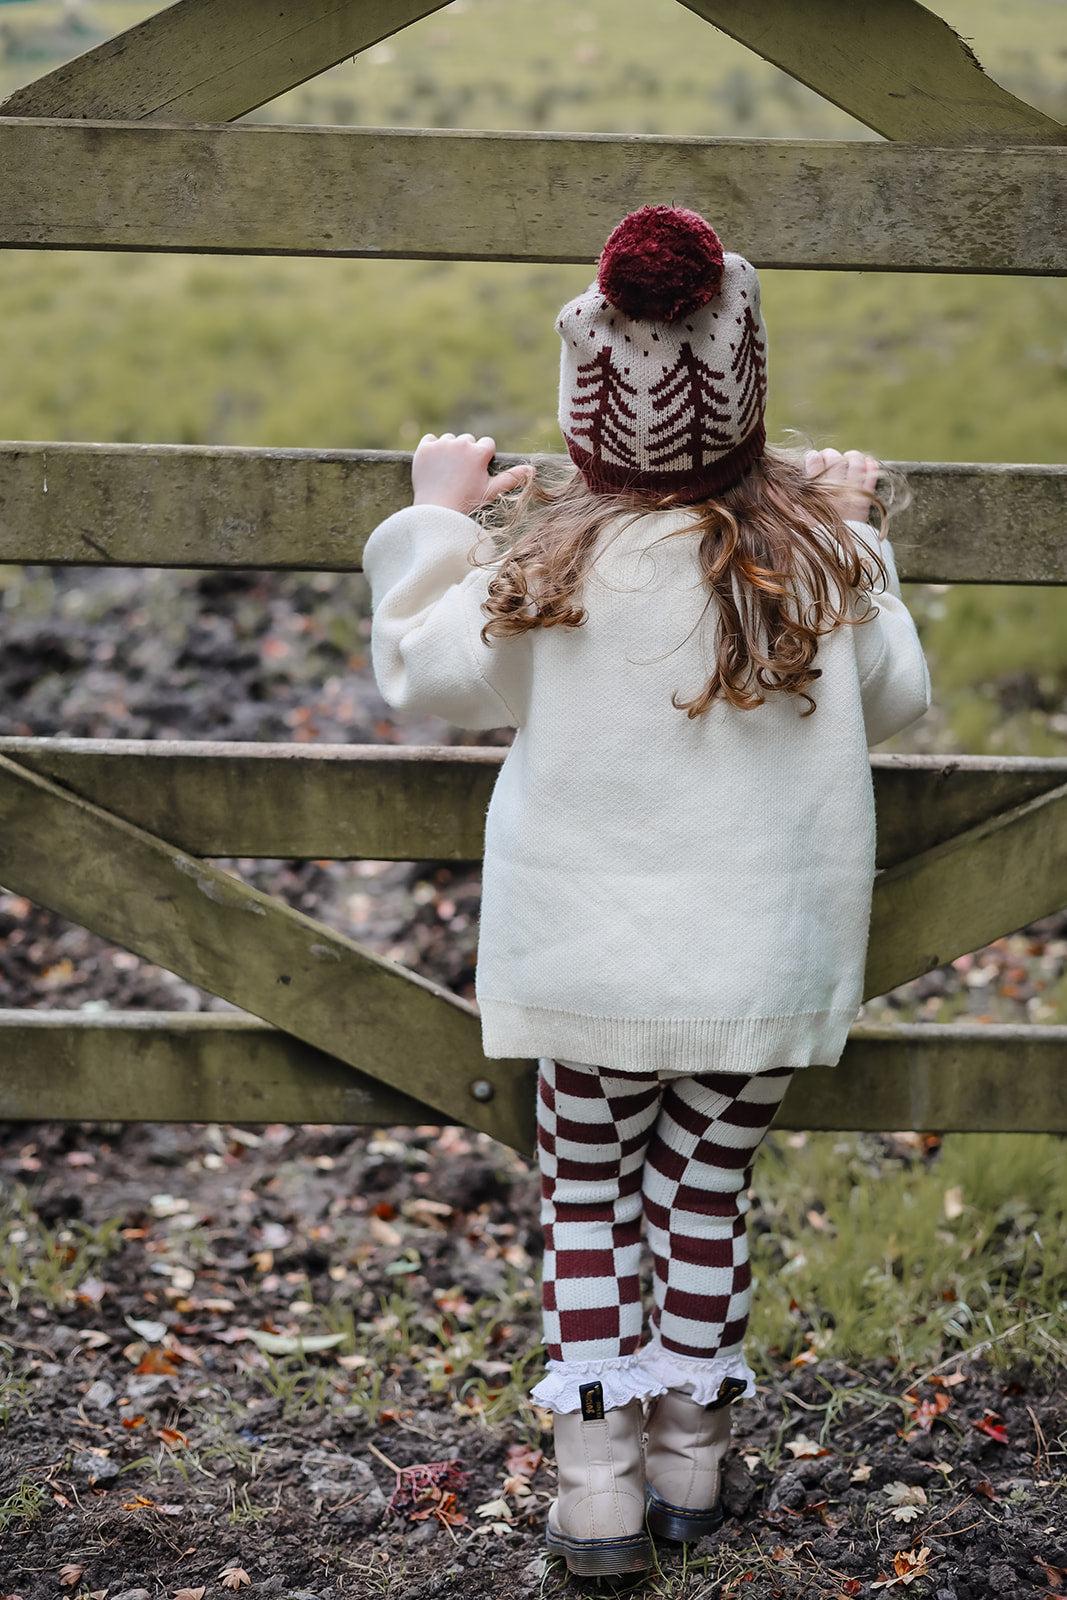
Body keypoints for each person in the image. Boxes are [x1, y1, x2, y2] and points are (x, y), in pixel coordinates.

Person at [363, 205, 930, 1577]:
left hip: (584, 969)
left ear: (589, 417)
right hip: (757, 976)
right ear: (749, 407)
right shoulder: (821, 563)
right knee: (701, 1199)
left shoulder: (544, 567)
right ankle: (691, 1463)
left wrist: (434, 523)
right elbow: (899, 703)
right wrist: (860, 535)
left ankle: (600, 1492)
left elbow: (418, 678)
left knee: (589, 1206)